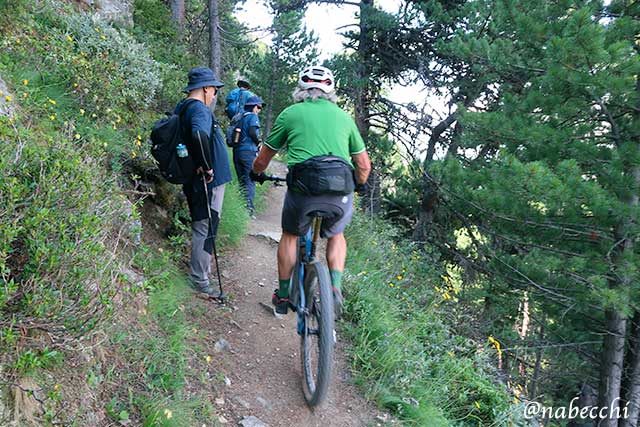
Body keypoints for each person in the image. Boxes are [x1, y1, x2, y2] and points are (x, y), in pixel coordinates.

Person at [250, 65, 372, 316]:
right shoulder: (344, 117)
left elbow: (263, 159)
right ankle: (335, 289)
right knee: (337, 235)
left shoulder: (291, 114)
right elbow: (363, 165)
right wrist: (358, 184)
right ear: (331, 92)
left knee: (291, 235)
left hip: (304, 188)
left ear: (301, 90)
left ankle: (283, 296)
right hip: (341, 188)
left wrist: (256, 173)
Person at [176, 67, 232, 296]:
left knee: (203, 223)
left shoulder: (183, 107)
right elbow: (199, 135)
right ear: (206, 88)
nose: (215, 95)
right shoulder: (199, 109)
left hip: (195, 177)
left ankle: (202, 273)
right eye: (215, 90)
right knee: (206, 226)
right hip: (207, 179)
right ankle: (200, 280)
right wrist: (208, 166)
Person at [232, 95, 265, 217]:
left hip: (237, 151)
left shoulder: (240, 117)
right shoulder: (252, 117)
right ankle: (249, 210)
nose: (260, 110)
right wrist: (259, 143)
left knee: (242, 180)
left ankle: (241, 208)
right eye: (259, 107)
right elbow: (252, 132)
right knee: (250, 180)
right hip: (248, 152)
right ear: (254, 107)